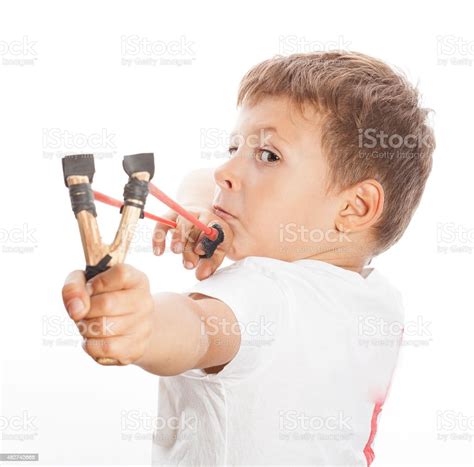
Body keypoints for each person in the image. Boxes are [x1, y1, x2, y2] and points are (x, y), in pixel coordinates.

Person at [62, 51, 435, 465]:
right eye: (233, 146)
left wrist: (143, 323)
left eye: (268, 155)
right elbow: (205, 179)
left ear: (355, 207)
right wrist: (198, 205)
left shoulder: (268, 288)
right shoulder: (377, 297)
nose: (225, 169)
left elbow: (200, 329)